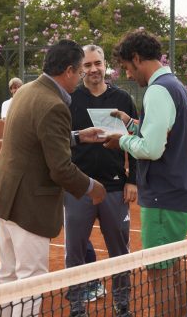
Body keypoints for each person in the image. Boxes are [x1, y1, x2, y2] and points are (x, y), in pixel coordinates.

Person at [0, 39, 107, 317]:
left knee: (8, 276)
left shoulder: (26, 91)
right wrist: (92, 187)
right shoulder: (54, 105)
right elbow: (60, 168)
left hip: (5, 198)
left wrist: (76, 136)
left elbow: (33, 140)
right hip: (29, 205)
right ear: (69, 71)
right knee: (31, 281)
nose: (81, 77)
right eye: (79, 71)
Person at [104, 29, 187, 317]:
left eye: (127, 68)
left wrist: (119, 140)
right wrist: (130, 123)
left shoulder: (158, 90)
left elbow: (153, 148)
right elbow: (164, 134)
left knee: (159, 274)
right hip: (179, 194)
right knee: (170, 268)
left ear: (136, 58)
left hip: (162, 197)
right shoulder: (177, 86)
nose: (129, 75)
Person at [65, 44, 138, 317]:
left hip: (116, 188)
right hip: (78, 188)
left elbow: (136, 141)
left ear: (105, 64)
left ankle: (122, 306)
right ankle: (76, 306)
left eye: (98, 63)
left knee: (119, 253)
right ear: (80, 67)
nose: (93, 69)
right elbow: (61, 138)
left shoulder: (122, 98)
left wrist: (134, 180)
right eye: (87, 64)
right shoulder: (71, 99)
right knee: (74, 253)